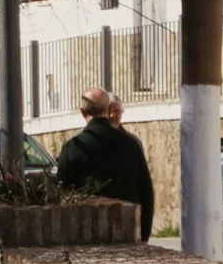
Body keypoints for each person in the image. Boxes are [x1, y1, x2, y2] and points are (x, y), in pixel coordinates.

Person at [55, 87, 155, 237]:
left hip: (87, 233)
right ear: (109, 110)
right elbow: (146, 192)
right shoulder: (131, 144)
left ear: (82, 112)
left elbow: (61, 194)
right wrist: (144, 234)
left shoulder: (73, 148)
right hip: (127, 230)